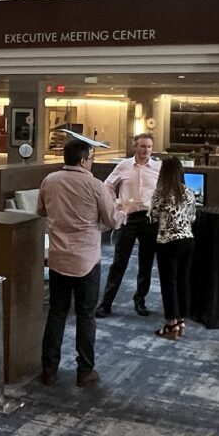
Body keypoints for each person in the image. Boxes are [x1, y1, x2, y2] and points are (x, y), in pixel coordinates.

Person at [38, 136, 122, 387]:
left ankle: (49, 370)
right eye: (91, 159)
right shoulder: (95, 185)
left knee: (56, 312)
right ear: (84, 160)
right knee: (86, 315)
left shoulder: (49, 180)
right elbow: (112, 220)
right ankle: (84, 372)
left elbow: (41, 211)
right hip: (86, 260)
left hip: (58, 257)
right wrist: (123, 212)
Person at [98, 133, 160, 317]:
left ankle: (140, 301)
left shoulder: (158, 167)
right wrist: (116, 203)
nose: (146, 150)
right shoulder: (124, 165)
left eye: (149, 147)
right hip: (129, 218)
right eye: (142, 146)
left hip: (149, 219)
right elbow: (107, 185)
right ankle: (106, 303)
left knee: (146, 263)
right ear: (135, 146)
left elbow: (164, 189)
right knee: (119, 262)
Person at [149, 156, 199, 341]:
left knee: (168, 283)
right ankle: (181, 320)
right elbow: (192, 217)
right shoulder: (189, 192)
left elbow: (153, 216)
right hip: (188, 240)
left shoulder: (161, 193)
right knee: (183, 281)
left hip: (167, 242)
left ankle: (171, 324)